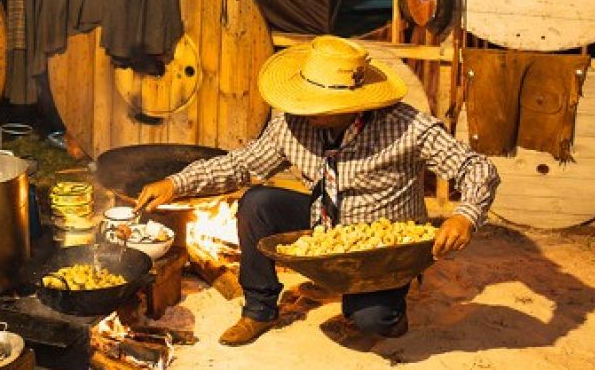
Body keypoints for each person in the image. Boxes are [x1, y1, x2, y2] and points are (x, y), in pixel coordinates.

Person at [136, 35, 500, 346]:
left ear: (354, 104)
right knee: (257, 203)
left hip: (381, 248)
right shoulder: (293, 125)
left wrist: (465, 216)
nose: (307, 110)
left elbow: (477, 168)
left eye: (319, 105)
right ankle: (259, 310)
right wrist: (176, 183)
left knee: (372, 321)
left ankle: (390, 311)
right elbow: (241, 164)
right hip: (324, 222)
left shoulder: (408, 127)